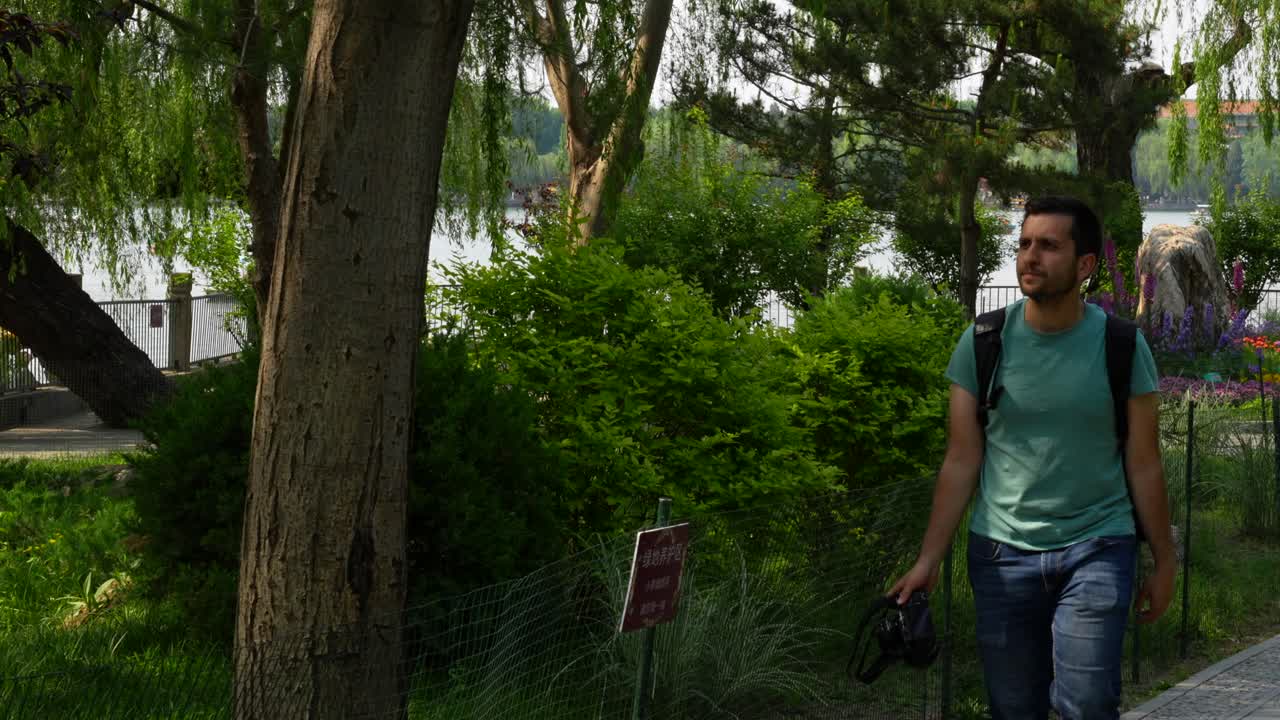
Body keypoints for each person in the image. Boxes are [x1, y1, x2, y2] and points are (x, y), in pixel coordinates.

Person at [888, 195, 1176, 720]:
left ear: (1085, 265)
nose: (1030, 257)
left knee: (1088, 702)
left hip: (1098, 546)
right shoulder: (983, 342)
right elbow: (961, 459)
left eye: (1048, 245)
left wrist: (1164, 559)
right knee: (1014, 707)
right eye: (1024, 243)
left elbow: (1144, 463)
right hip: (1001, 555)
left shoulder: (1121, 345)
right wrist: (928, 560)